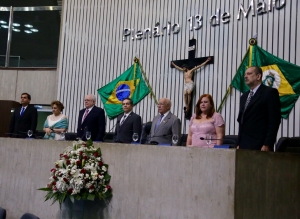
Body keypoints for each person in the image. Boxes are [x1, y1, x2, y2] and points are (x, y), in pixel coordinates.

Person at [237, 66, 281, 151]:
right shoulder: (244, 96)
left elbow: (274, 121)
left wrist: (267, 143)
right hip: (243, 145)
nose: (245, 76)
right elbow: (242, 120)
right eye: (245, 74)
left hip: (260, 145)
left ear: (258, 76)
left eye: (249, 74)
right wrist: (239, 143)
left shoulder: (269, 93)